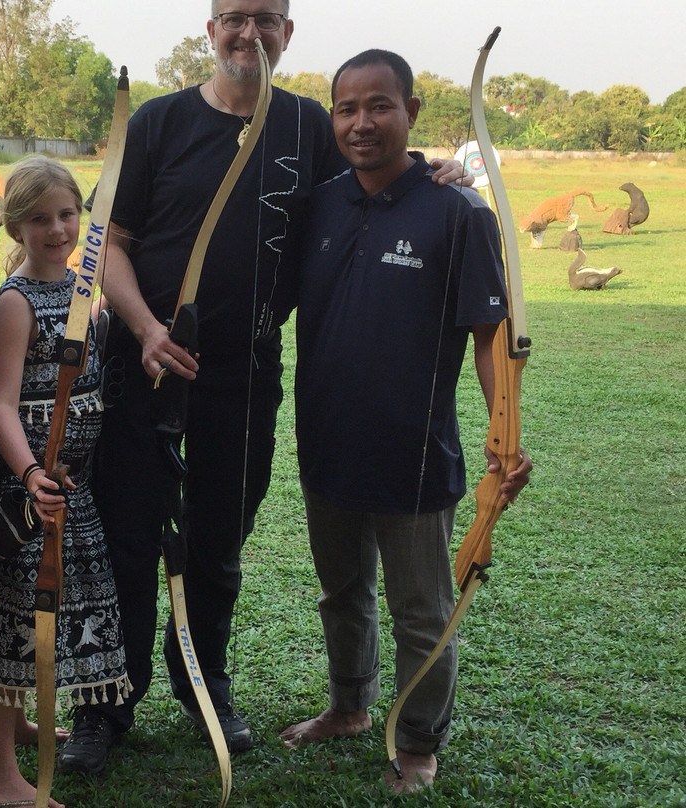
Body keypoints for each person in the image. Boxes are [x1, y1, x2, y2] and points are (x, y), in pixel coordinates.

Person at [57, 0, 471, 777]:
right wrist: (145, 329)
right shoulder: (157, 122)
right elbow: (107, 243)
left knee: (217, 541)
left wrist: (439, 172)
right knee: (127, 540)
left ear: (288, 32)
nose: (250, 33)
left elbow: (374, 180)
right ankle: (103, 706)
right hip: (142, 367)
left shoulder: (311, 125)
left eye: (267, 18)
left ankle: (204, 683)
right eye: (235, 17)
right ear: (210, 29)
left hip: (243, 375)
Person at [278, 49, 533, 793]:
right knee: (341, 592)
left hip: (414, 454)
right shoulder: (321, 204)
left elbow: (490, 335)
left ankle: (419, 742)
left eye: (379, 106)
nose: (362, 123)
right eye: (347, 109)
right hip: (326, 443)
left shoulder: (457, 212)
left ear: (411, 112)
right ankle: (349, 707)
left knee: (421, 611)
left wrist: (505, 437)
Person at [0, 156, 131, 807]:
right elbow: (0, 404)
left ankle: (21, 728)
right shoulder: (15, 302)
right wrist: (29, 473)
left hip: (66, 488)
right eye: (39, 219)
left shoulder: (82, 289)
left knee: (43, 618)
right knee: (11, 622)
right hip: (22, 495)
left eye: (67, 215)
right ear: (15, 227)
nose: (57, 229)